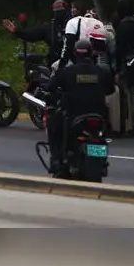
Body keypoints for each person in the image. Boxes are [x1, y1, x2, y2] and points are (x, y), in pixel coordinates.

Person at [43, 38, 116, 173]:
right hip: (98, 115)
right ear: (91, 53)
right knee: (103, 133)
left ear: (75, 53)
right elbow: (110, 89)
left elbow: (50, 87)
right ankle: (102, 160)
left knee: (54, 124)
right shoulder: (102, 72)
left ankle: (56, 160)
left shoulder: (66, 72)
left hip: (73, 115)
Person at [1, 0, 71, 67]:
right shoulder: (49, 27)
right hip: (55, 64)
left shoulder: (75, 24)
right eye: (57, 11)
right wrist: (17, 32)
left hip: (72, 61)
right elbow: (31, 35)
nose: (59, 14)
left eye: (61, 11)